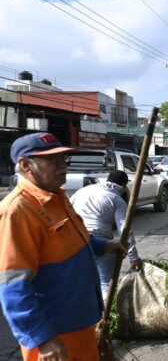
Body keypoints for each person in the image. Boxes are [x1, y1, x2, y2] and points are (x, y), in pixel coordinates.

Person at [0, 133, 125, 361]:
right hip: (56, 335)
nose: (62, 167)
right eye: (53, 161)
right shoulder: (17, 211)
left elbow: (77, 239)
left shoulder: (57, 197)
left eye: (63, 159)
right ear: (25, 165)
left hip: (82, 322)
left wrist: (106, 245)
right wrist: (42, 339)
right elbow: (13, 286)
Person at [70, 170, 143, 300]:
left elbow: (67, 211)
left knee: (80, 283)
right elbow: (125, 229)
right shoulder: (117, 199)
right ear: (124, 186)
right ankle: (107, 317)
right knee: (106, 285)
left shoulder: (83, 191)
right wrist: (133, 257)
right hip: (103, 244)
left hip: (77, 241)